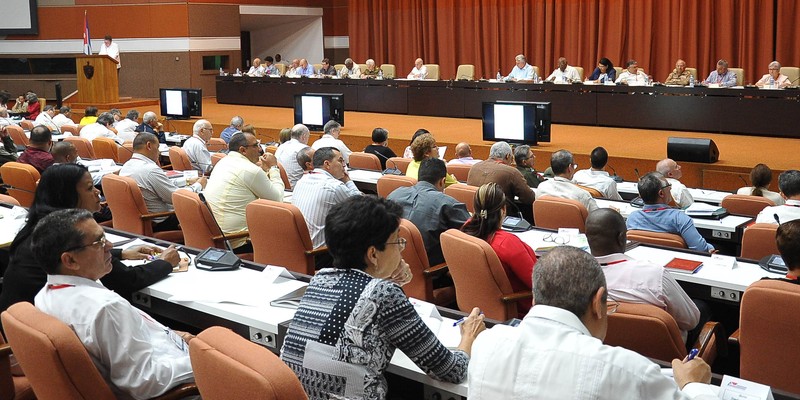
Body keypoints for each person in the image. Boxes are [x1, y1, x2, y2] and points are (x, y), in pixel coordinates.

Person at [281, 196, 485, 400]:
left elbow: (359, 313)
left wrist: (386, 278)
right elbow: (451, 371)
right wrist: (469, 336)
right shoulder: (385, 295)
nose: (402, 248)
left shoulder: (320, 280)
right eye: (397, 241)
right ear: (373, 254)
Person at [468, 246, 716, 400]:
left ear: (534, 298)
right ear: (598, 302)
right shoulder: (628, 370)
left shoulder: (485, 343)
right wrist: (693, 385)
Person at [32, 209, 194, 399]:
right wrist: (203, 360)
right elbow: (144, 382)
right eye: (99, 242)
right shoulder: (105, 308)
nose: (109, 245)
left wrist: (172, 335)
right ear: (70, 260)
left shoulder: (46, 294)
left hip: (162, 352)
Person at [0, 163, 181, 314]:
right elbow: (126, 280)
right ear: (67, 195)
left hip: (26, 323)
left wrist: (121, 254)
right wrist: (165, 262)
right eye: (89, 188)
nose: (97, 192)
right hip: (52, 327)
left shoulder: (42, 224)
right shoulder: (64, 233)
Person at [586, 209, 701, 340]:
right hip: (666, 357)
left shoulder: (576, 275)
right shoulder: (654, 275)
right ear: (622, 237)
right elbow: (691, 321)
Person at [462, 183, 537, 313]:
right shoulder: (507, 243)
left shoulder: (466, 230)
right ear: (503, 210)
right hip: (518, 308)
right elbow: (537, 285)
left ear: (475, 208)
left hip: (475, 305)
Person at [204, 132, 284, 252]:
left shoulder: (222, 162)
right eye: (256, 145)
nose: (260, 150)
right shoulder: (251, 170)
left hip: (215, 236)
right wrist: (274, 168)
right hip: (238, 241)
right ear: (243, 150)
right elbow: (278, 200)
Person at [388, 158, 470, 265]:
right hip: (432, 272)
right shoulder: (448, 204)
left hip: (391, 265)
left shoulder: (394, 195)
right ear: (443, 181)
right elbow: (475, 234)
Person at [120, 132, 206, 232]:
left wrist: (187, 181)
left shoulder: (126, 166)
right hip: (163, 221)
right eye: (157, 147)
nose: (159, 152)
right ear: (149, 146)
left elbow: (161, 183)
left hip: (138, 221)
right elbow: (177, 198)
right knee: (204, 209)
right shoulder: (150, 170)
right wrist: (198, 185)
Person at [292, 147, 361, 251]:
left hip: (300, 250)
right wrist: (347, 180)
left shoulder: (301, 181)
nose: (344, 165)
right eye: (340, 161)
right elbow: (361, 207)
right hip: (322, 253)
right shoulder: (334, 186)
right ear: (327, 164)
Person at [627, 172, 715, 253]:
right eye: (668, 185)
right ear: (661, 193)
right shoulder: (680, 218)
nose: (670, 188)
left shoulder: (632, 218)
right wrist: (710, 247)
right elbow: (700, 250)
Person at [467, 141, 535, 208]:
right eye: (511, 158)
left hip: (475, 213)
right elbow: (529, 198)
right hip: (500, 216)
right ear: (507, 156)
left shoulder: (474, 167)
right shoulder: (511, 172)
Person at [275, 123, 311, 188]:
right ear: (303, 136)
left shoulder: (281, 146)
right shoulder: (304, 149)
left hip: (280, 186)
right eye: (308, 137)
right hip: (296, 188)